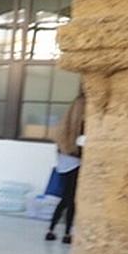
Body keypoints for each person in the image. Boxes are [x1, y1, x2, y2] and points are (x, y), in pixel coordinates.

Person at [46, 94, 85, 244]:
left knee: (64, 199)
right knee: (71, 200)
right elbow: (79, 151)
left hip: (63, 165)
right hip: (75, 165)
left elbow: (61, 148)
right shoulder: (81, 127)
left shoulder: (63, 126)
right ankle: (67, 233)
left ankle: (51, 229)